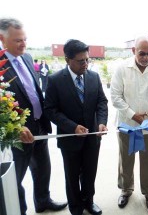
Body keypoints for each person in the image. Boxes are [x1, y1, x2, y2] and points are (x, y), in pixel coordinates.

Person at [0, 18, 67, 215]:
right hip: (18, 134)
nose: (23, 44)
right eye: (18, 40)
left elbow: (35, 92)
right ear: (2, 39)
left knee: (42, 170)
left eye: (25, 39)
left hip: (39, 126)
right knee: (15, 178)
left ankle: (43, 201)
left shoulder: (27, 58)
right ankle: (18, 210)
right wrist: (15, 127)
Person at [44, 39, 108, 215]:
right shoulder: (55, 80)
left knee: (89, 173)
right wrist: (72, 127)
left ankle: (89, 201)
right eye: (81, 61)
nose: (85, 64)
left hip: (93, 137)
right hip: (69, 139)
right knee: (71, 176)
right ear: (67, 60)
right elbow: (50, 110)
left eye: (88, 60)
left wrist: (102, 122)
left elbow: (102, 102)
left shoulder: (94, 77)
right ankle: (76, 207)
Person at [110, 36, 148, 212]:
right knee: (126, 159)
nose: (145, 57)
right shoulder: (122, 68)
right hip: (127, 123)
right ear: (133, 51)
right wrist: (132, 114)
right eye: (142, 53)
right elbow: (115, 97)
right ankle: (126, 190)